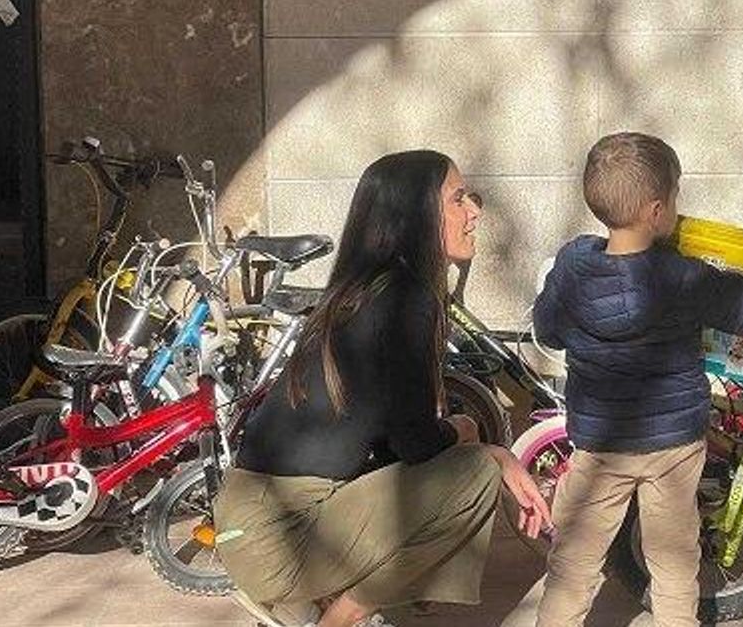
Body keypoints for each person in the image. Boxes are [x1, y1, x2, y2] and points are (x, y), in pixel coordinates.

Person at [213, 150, 551, 627]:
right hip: (279, 536)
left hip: (252, 525)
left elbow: (395, 444)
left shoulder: (366, 293)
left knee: (459, 457)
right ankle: (337, 620)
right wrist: (490, 447)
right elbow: (417, 444)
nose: (474, 211)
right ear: (416, 215)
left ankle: (363, 600)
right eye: (458, 199)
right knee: (474, 473)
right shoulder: (406, 299)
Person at [531, 132, 743, 627]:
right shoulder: (684, 277)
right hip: (672, 447)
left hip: (598, 445)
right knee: (675, 565)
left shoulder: (572, 266)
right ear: (658, 210)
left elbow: (549, 330)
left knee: (571, 567)